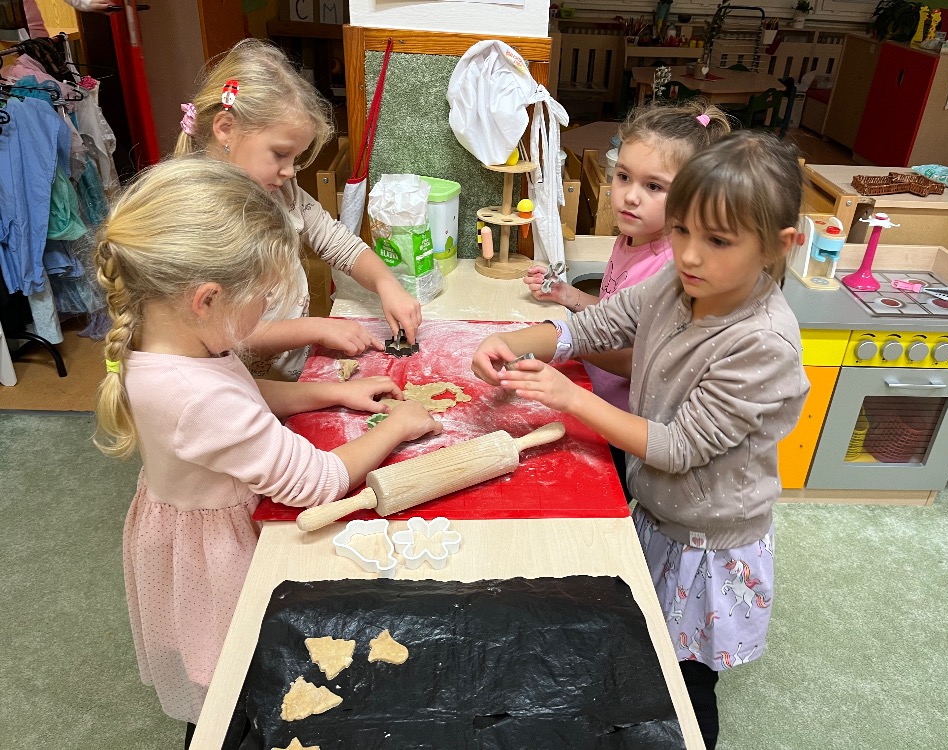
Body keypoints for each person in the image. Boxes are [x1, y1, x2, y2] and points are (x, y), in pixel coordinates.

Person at [471, 130, 810, 749]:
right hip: (657, 508)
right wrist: (514, 342)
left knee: (686, 682)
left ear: (778, 245)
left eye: (718, 241)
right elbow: (598, 324)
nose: (690, 255)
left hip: (706, 538)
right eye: (680, 230)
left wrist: (573, 398)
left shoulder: (763, 343)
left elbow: (680, 447)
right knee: (641, 640)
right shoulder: (676, 283)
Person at [92, 158, 441, 747]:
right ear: (207, 299)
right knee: (234, 681)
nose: (270, 309)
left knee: (227, 676)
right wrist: (396, 428)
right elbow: (317, 481)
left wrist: (332, 393)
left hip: (189, 529)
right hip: (216, 559)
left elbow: (242, 391)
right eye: (265, 297)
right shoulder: (193, 396)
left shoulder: (170, 340)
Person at [175, 39, 422, 381]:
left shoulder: (281, 192)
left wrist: (386, 283)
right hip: (241, 387)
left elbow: (338, 243)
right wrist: (314, 328)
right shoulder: (197, 219)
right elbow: (220, 335)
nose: (290, 171)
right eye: (280, 154)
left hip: (290, 376)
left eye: (295, 158)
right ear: (226, 128)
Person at [523, 101, 730, 497]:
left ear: (695, 196)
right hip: (596, 398)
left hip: (627, 424)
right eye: (623, 177)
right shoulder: (631, 238)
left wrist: (568, 342)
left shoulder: (673, 269)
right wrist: (568, 295)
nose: (630, 197)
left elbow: (638, 360)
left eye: (653, 186)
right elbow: (615, 315)